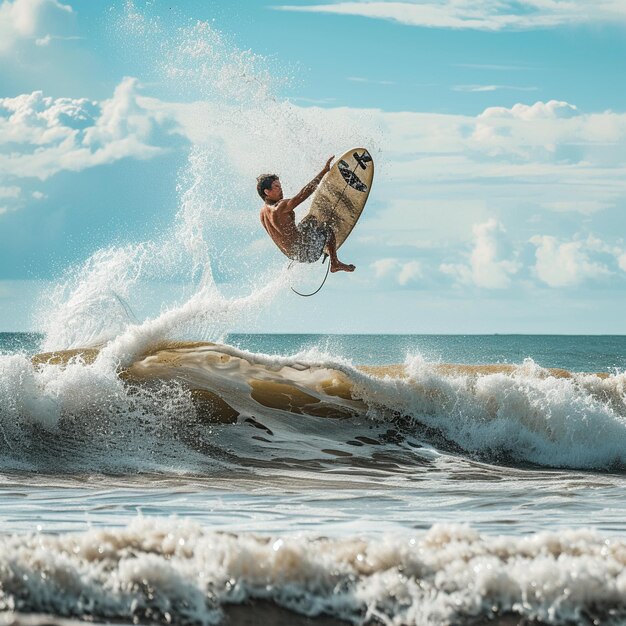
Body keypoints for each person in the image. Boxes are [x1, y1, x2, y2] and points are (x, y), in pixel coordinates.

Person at [258, 157, 355, 273]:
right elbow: (303, 194)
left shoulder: (263, 214)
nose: (281, 189)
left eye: (280, 186)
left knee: (311, 219)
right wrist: (324, 172)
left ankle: (319, 242)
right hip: (306, 252)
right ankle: (335, 263)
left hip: (294, 255)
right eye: (276, 187)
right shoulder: (279, 207)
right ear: (266, 192)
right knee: (327, 230)